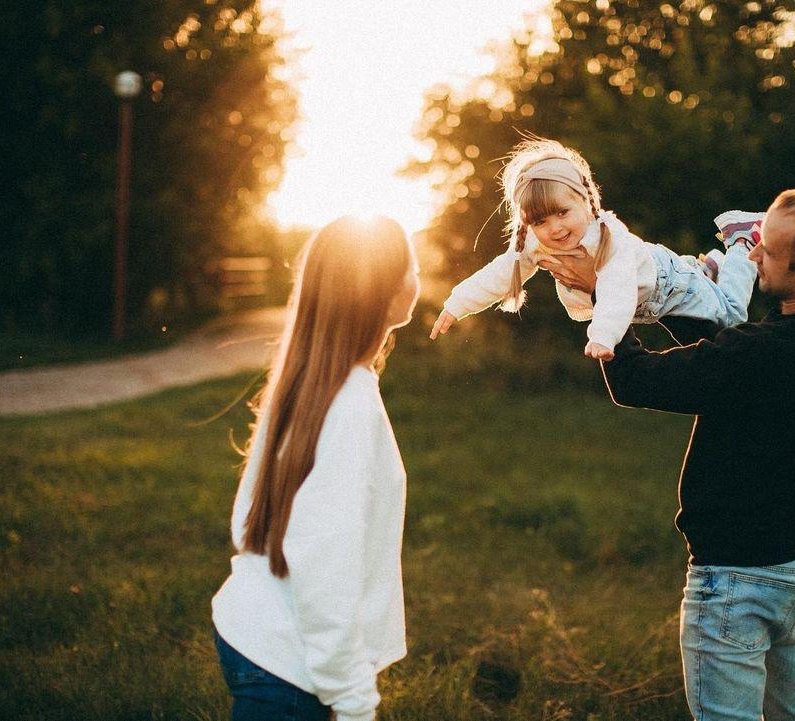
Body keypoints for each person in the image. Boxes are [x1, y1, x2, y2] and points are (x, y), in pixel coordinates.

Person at [542, 183, 795, 721]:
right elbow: (728, 362)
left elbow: (636, 381)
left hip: (736, 579)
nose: (750, 254)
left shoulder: (764, 354)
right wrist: (695, 298)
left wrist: (608, 293)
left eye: (766, 250)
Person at [211, 216, 420, 721]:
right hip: (288, 666)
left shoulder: (311, 380)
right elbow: (324, 566)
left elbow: (249, 518)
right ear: (385, 292)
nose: (418, 273)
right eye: (412, 263)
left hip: (260, 634)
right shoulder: (348, 406)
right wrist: (352, 700)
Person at [428, 137, 762, 360]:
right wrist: (458, 303)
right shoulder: (534, 243)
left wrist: (603, 335)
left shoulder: (607, 238)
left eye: (562, 212)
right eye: (541, 221)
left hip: (672, 286)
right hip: (653, 296)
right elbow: (502, 273)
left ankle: (740, 239)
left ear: (586, 201)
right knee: (717, 327)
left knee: (730, 320)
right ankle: (706, 270)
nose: (555, 228)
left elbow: (616, 287)